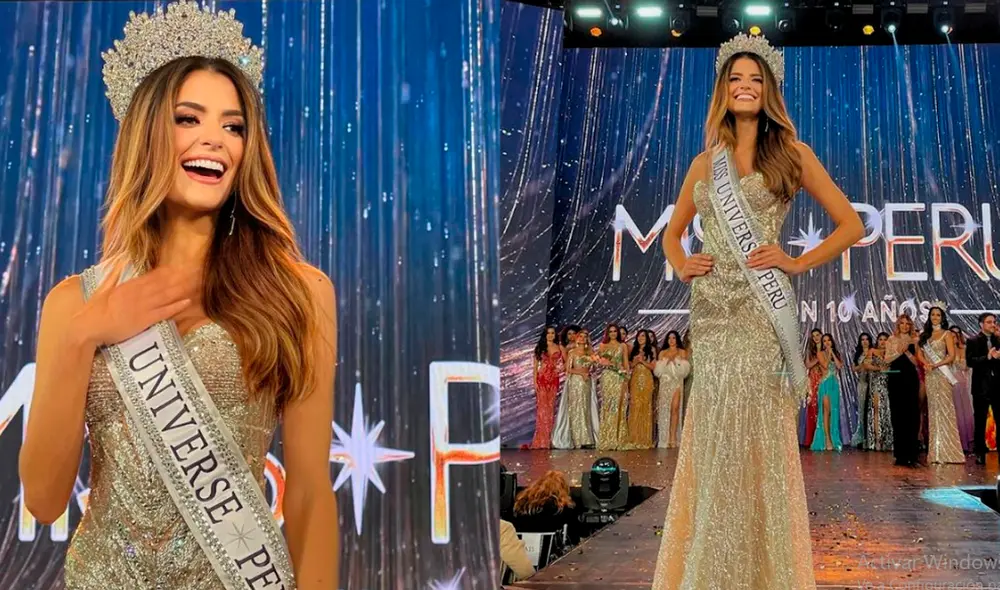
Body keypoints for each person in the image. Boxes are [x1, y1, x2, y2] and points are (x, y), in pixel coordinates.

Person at [18, 3, 339, 588]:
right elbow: (42, 501)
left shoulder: (299, 292)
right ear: (147, 133)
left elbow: (313, 494)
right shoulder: (73, 303)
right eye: (189, 118)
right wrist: (85, 335)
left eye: (233, 125)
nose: (214, 139)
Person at [652, 33, 863, 589]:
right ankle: (713, 567)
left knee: (756, 437)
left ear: (768, 90)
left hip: (759, 314)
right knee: (715, 434)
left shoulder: (792, 154)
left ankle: (763, 572)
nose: (745, 87)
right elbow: (672, 237)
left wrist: (796, 262)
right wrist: (682, 264)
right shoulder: (705, 163)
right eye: (735, 79)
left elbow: (852, 225)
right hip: (714, 314)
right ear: (724, 90)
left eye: (755, 79)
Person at [916, 305, 965, 464]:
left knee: (945, 410)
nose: (935, 317)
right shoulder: (925, 336)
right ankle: (936, 452)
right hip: (930, 376)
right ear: (929, 317)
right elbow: (919, 354)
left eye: (938, 315)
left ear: (942, 317)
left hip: (942, 375)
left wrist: (936, 365)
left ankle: (950, 452)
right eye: (933, 315)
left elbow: (951, 356)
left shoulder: (947, 334)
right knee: (933, 411)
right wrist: (925, 364)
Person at [885, 314, 922, 467]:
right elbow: (887, 359)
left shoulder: (915, 340)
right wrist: (900, 351)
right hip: (895, 379)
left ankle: (912, 454)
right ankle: (900, 454)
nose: (905, 326)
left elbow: (917, 361)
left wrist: (907, 351)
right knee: (898, 415)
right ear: (898, 325)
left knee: (912, 415)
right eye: (902, 323)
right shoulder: (891, 339)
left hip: (911, 378)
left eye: (908, 323)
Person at [965, 312, 1000, 464]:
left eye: (994, 322)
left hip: (998, 386)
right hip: (981, 387)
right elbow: (970, 361)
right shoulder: (973, 341)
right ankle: (980, 452)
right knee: (980, 421)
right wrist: (988, 357)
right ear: (981, 324)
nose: (992, 325)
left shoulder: (998, 340)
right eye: (989, 322)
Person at [531, 326, 564, 449]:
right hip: (542, 380)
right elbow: (535, 368)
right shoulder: (539, 348)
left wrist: (559, 368)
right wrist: (535, 383)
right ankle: (540, 441)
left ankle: (548, 440)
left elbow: (565, 363)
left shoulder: (559, 347)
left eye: (552, 333)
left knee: (550, 409)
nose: (550, 335)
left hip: (554, 380)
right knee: (542, 410)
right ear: (545, 335)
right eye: (548, 333)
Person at [811, 334, 843, 452]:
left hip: (834, 385)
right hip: (824, 384)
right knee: (826, 411)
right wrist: (828, 353)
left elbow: (839, 366)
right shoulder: (820, 353)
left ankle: (833, 439)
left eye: (829, 340)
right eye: (824, 341)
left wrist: (833, 353)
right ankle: (827, 439)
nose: (827, 342)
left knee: (832, 413)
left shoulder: (836, 354)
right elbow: (824, 365)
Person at [850, 333, 873, 447]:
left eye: (867, 339)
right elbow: (854, 368)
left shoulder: (874, 352)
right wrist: (863, 365)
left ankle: (872, 437)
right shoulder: (858, 354)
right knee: (862, 410)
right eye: (862, 339)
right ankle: (863, 438)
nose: (865, 341)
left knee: (872, 410)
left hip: (874, 384)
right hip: (862, 384)